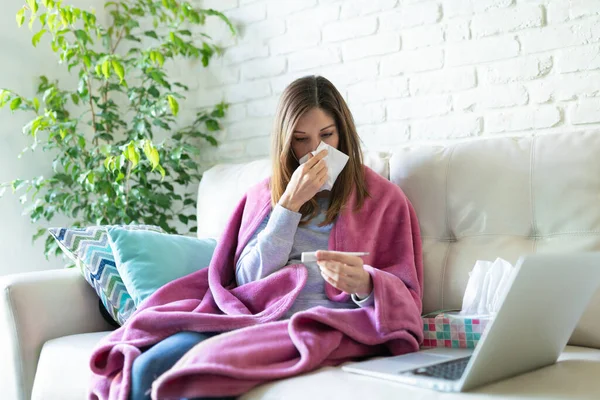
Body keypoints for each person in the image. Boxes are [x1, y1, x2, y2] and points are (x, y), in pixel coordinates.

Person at [121, 75, 422, 400]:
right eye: (301, 139)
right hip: (251, 317)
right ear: (285, 141)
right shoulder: (266, 195)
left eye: (326, 135)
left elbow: (407, 297)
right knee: (144, 368)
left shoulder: (383, 199)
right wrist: (287, 207)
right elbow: (245, 279)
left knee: (199, 378)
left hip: (318, 324)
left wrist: (365, 285)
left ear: (343, 134)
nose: (315, 151)